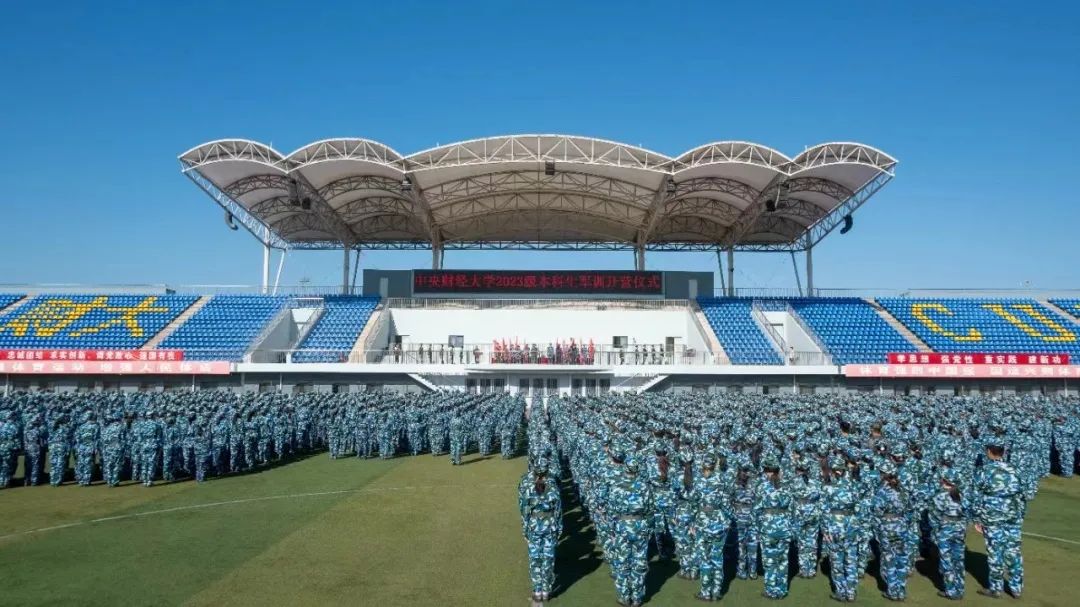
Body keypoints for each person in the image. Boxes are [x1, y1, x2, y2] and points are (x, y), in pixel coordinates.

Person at [973, 439, 1025, 599]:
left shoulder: (984, 471)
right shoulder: (1014, 470)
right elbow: (1022, 496)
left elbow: (976, 496)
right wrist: (1021, 515)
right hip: (1013, 516)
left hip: (992, 517)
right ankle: (1016, 588)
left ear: (989, 451)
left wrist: (977, 518)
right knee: (1013, 551)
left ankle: (996, 588)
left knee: (995, 552)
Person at [608, 456, 651, 607]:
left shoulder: (616, 486)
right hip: (640, 525)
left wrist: (612, 530)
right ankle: (637, 597)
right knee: (639, 562)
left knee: (622, 562)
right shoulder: (644, 486)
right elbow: (650, 509)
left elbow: (611, 511)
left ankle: (625, 596)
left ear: (625, 468)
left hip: (622, 526)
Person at [519, 463, 561, 604]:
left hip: (534, 528)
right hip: (550, 528)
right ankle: (546, 591)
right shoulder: (554, 490)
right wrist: (558, 531)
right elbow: (558, 513)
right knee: (548, 559)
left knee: (535, 559)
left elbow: (525, 513)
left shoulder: (529, 491)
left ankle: (537, 591)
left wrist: (525, 531)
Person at [694, 453, 733, 601]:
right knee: (717, 558)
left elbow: (692, 502)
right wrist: (730, 519)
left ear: (703, 463)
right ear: (715, 464)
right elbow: (727, 504)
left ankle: (705, 592)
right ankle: (716, 591)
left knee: (704, 559)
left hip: (702, 523)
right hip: (718, 523)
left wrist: (692, 522)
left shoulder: (697, 479)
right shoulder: (722, 479)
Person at [821, 456, 859, 602]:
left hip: (834, 526)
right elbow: (858, 508)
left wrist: (825, 530)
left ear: (833, 471)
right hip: (851, 526)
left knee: (837, 561)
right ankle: (851, 592)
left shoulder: (828, 488)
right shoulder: (853, 486)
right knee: (851, 560)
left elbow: (824, 511)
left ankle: (841, 592)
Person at [755, 459, 794, 599]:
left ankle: (771, 590)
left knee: (770, 560)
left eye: (766, 471)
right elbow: (792, 509)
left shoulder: (762, 487)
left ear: (768, 471)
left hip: (768, 528)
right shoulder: (787, 486)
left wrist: (758, 528)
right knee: (783, 560)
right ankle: (781, 590)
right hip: (784, 528)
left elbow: (756, 510)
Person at [873, 461, 912, 601]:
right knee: (901, 558)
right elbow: (909, 510)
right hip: (901, 526)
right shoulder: (903, 491)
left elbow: (877, 512)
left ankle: (892, 591)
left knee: (889, 559)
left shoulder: (882, 491)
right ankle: (901, 590)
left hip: (887, 527)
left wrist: (878, 530)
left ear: (884, 475)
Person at [929, 470, 968, 600]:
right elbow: (967, 514)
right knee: (958, 560)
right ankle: (959, 588)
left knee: (946, 560)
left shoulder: (940, 496)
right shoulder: (963, 495)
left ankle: (951, 590)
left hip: (945, 530)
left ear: (944, 481)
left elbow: (933, 517)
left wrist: (936, 532)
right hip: (960, 530)